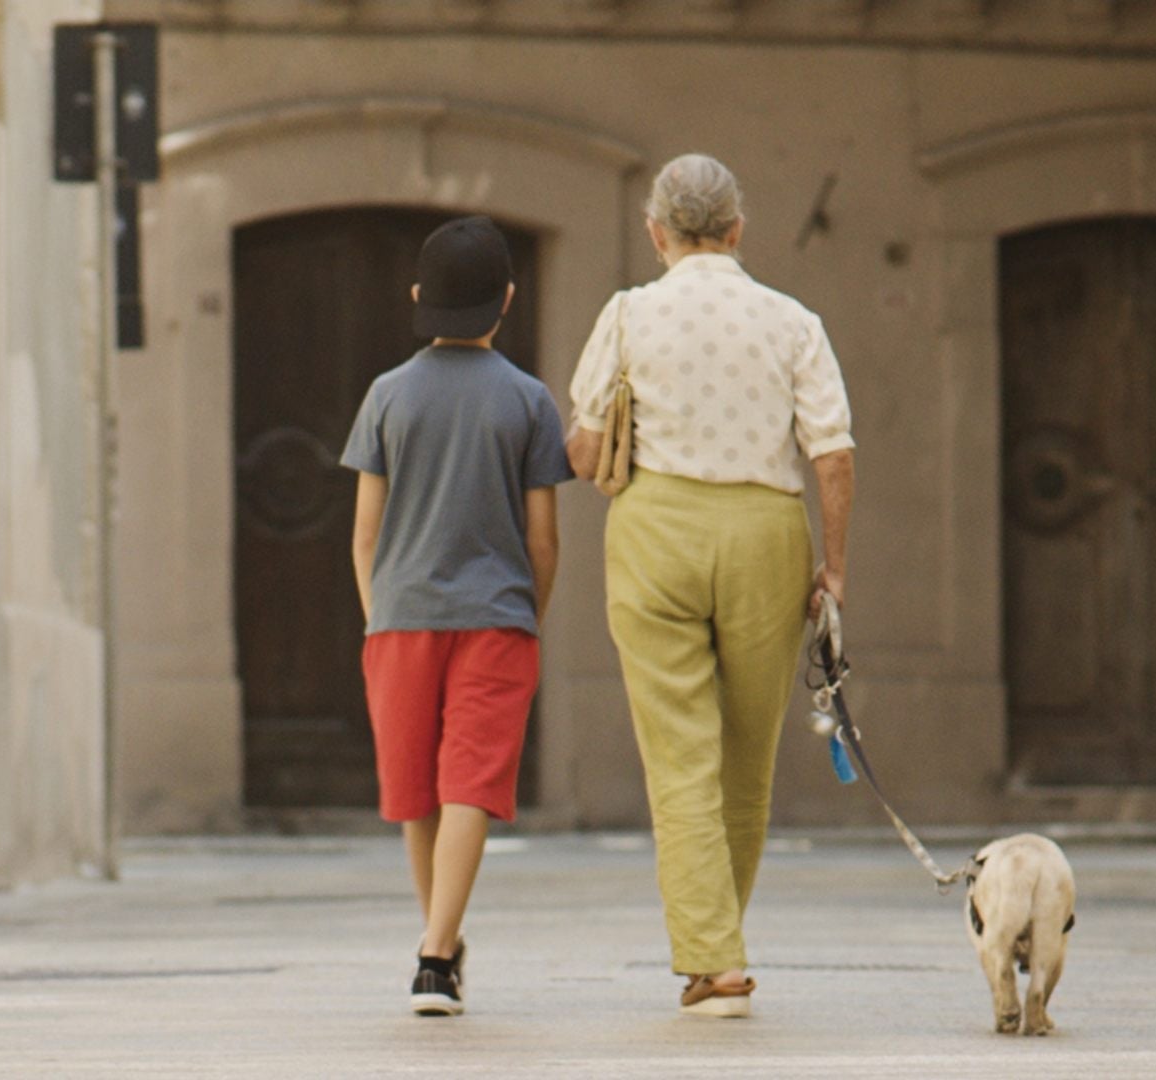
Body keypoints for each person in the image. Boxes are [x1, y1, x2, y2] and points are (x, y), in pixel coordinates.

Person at [566, 154, 857, 1018]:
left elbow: (582, 453)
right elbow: (832, 456)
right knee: (746, 754)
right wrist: (833, 568)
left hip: (656, 529)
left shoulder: (626, 314)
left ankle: (713, 962)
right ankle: (717, 951)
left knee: (679, 753)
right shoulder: (792, 321)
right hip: (767, 531)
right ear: (736, 231)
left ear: (658, 233)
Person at [341, 215, 572, 1017]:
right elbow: (544, 539)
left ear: (417, 298)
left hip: (400, 620)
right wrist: (527, 617)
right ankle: (440, 949)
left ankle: (437, 949)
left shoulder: (385, 396)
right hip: (498, 620)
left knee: (416, 792)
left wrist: (380, 616)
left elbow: (364, 534)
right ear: (507, 299)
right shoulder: (531, 401)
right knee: (470, 783)